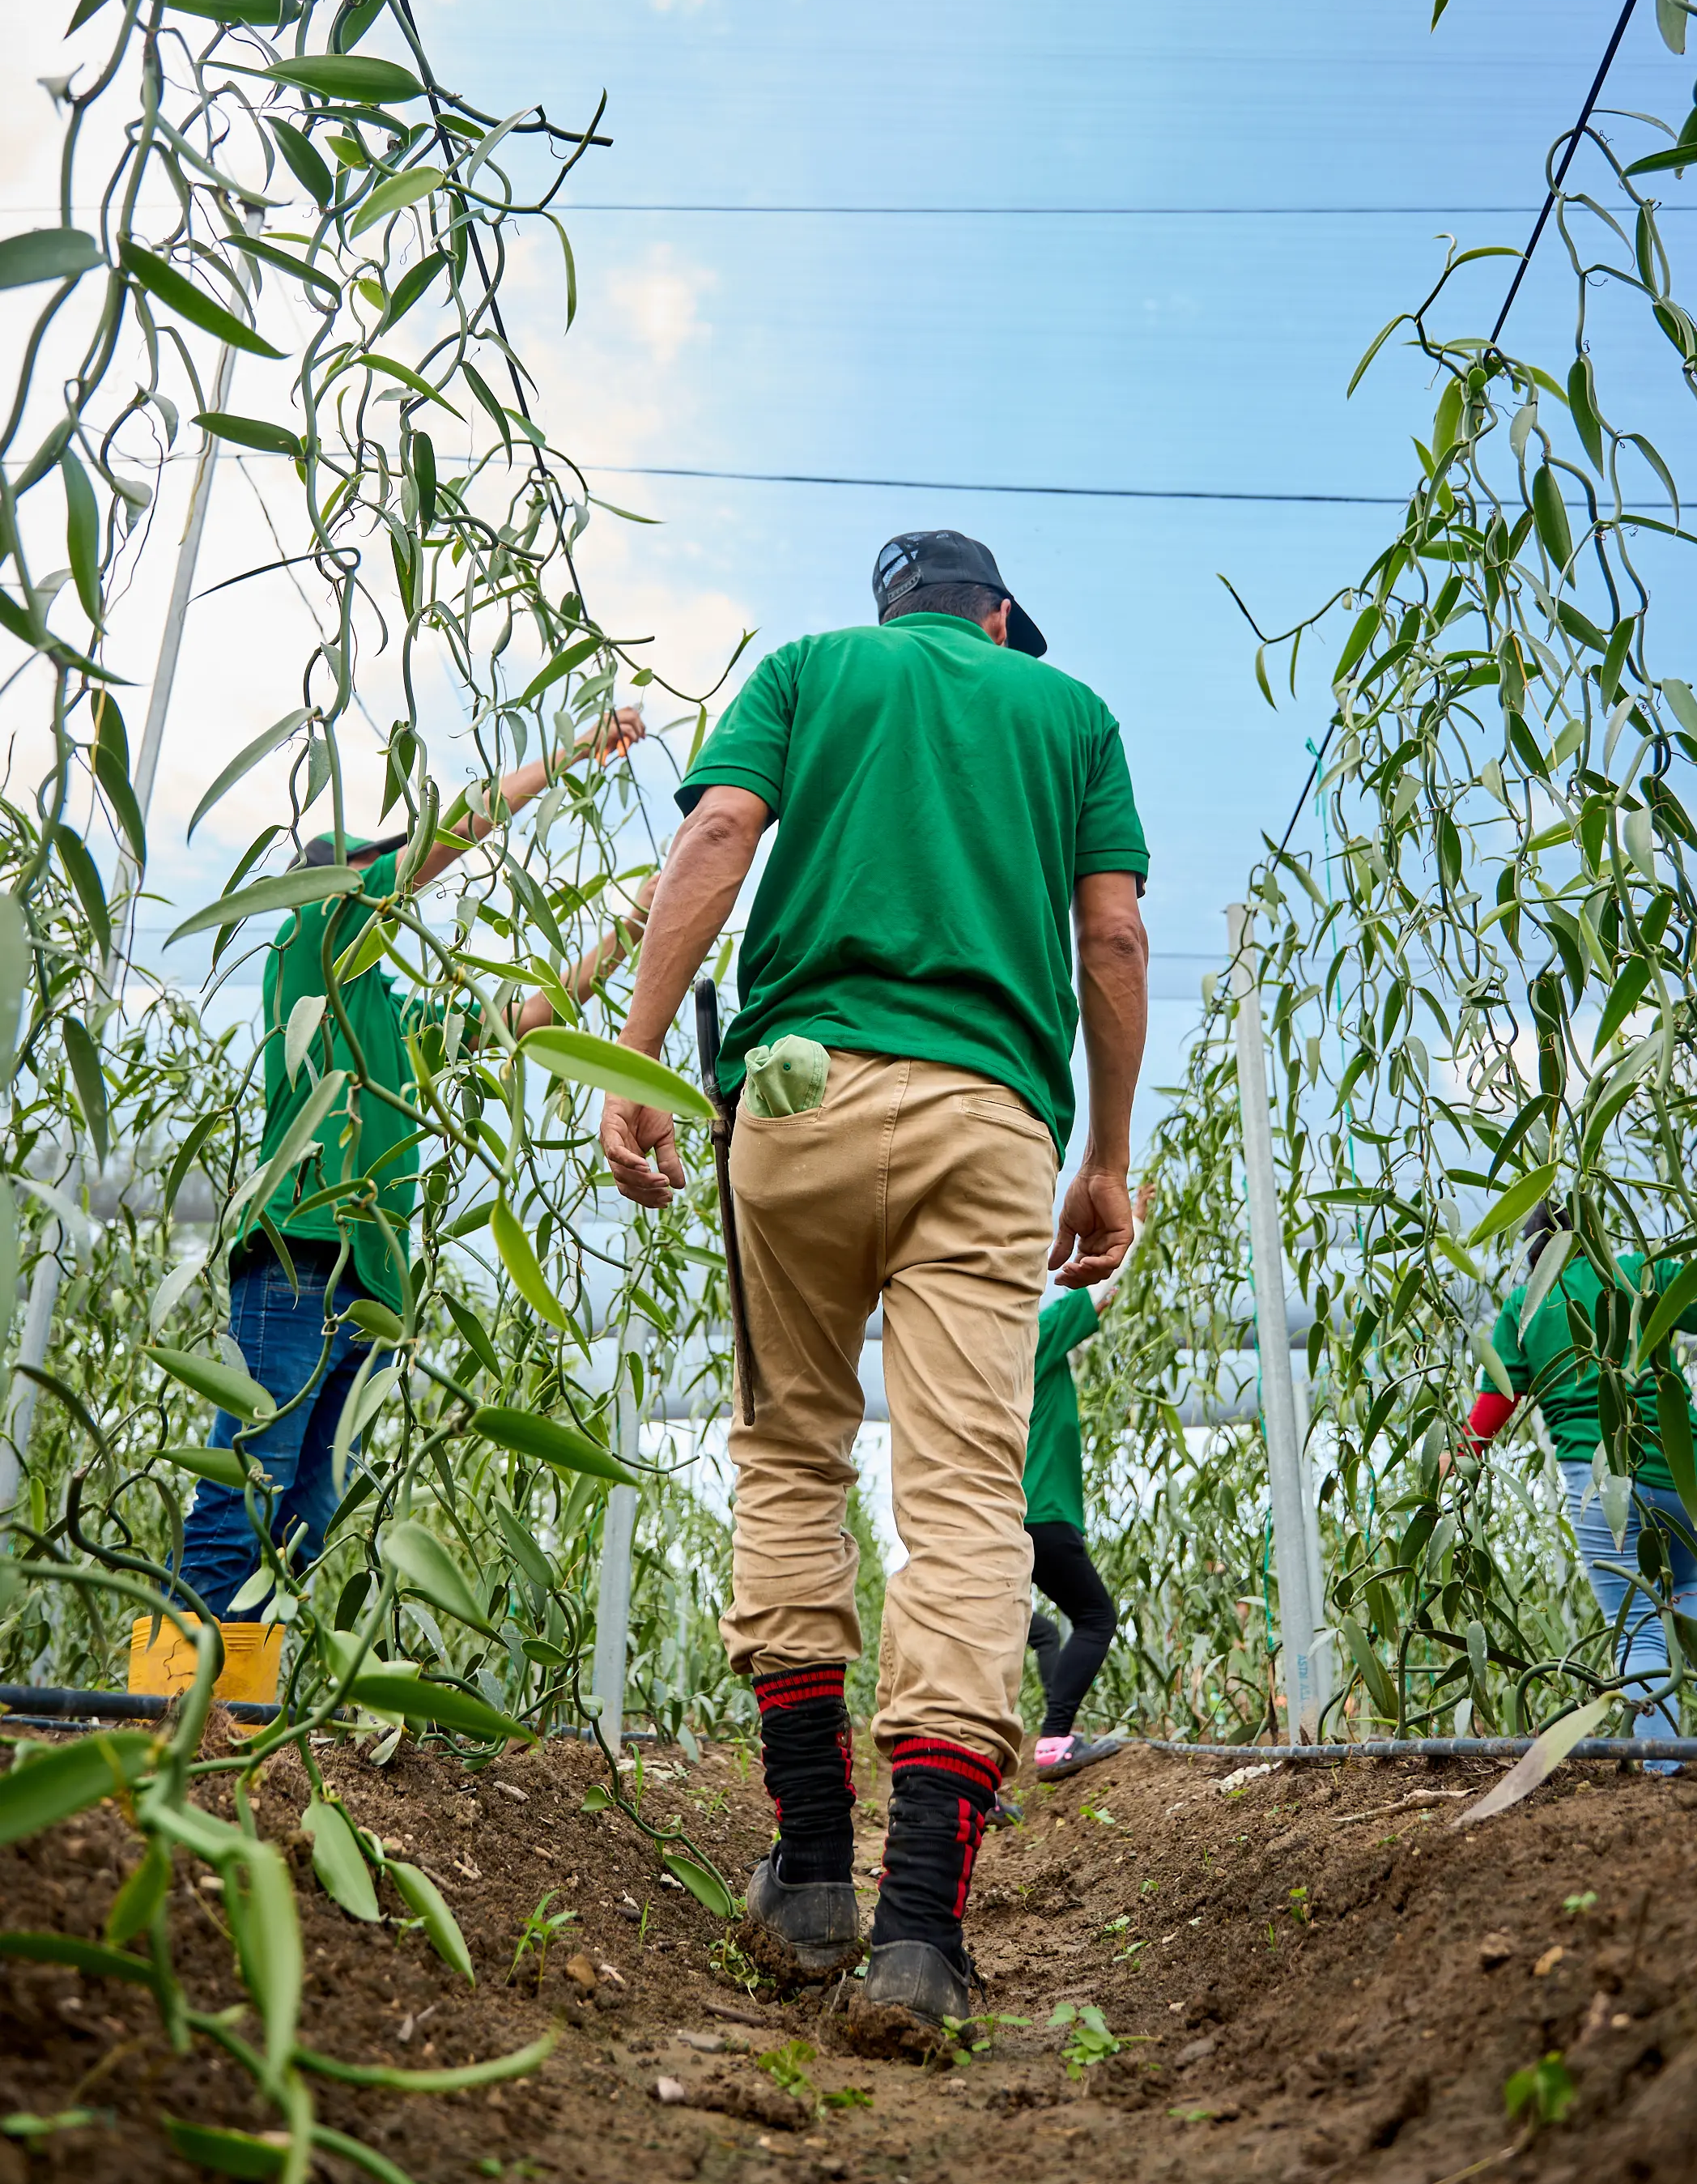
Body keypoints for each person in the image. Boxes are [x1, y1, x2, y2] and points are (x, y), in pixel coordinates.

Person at [599, 528, 1149, 2035]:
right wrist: (1106, 1156)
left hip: (795, 1097)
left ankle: (810, 1869)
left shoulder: (807, 672)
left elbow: (718, 837)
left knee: (789, 1452)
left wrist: (633, 1056)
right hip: (990, 1121)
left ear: (894, 611)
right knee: (966, 1494)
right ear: (998, 616)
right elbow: (1112, 935)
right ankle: (920, 1932)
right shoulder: (1072, 715)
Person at [133, 707, 648, 1696]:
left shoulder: (395, 1015)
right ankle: (169, 1710)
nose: (399, 895)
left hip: (369, 1287)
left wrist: (632, 928)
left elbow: (526, 1018)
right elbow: (441, 844)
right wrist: (572, 751)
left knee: (307, 1513)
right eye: (381, 880)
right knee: (245, 1491)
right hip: (297, 1257)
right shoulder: (310, 940)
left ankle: (236, 1707)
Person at [1462, 1198, 1697, 1770]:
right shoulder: (1635, 1271)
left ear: (1535, 1256)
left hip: (1608, 1484)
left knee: (1637, 1624)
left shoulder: (1525, 1307)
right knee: (1687, 1591)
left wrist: (1459, 1454)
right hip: (1695, 1479)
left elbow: (1496, 1399)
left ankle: (1663, 1767)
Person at [1023, 1182, 1153, 1782]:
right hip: (1044, 1517)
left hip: (1018, 1520)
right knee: (1096, 1616)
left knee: (1041, 1631)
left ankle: (992, 1765)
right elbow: (1098, 1293)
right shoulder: (1036, 1340)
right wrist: (1136, 1227)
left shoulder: (1002, 1363)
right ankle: (1054, 1741)